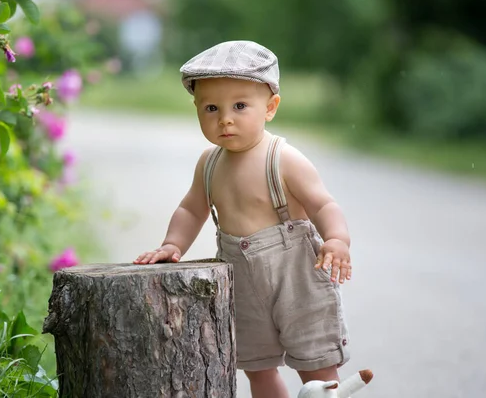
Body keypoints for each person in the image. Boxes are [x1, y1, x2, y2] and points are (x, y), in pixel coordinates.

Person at [134, 40, 352, 398]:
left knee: (316, 362)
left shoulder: (283, 158)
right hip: (242, 280)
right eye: (211, 108)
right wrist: (173, 243)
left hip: (296, 275)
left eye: (239, 105)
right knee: (257, 366)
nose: (225, 119)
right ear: (196, 109)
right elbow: (192, 209)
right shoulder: (209, 163)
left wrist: (337, 239)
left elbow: (323, 204)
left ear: (270, 107)